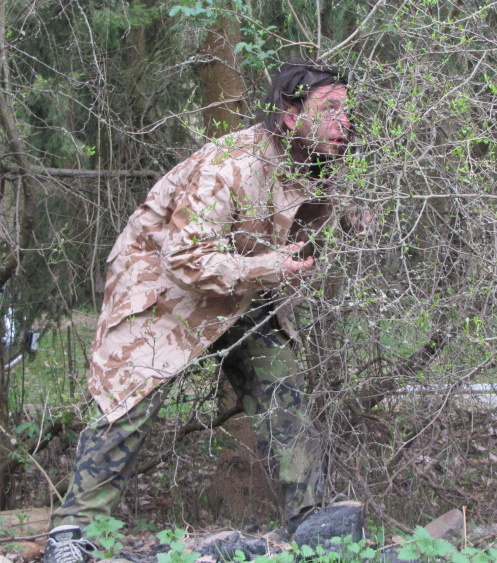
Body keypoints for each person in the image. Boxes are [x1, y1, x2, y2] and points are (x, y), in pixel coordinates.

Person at [44, 59, 365, 563]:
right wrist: (270, 265)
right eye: (329, 109)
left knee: (282, 385)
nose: (343, 121)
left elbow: (330, 209)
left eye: (347, 110)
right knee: (130, 396)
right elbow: (184, 258)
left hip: (243, 283)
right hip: (162, 286)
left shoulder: (323, 161)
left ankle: (312, 522)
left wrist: (354, 216)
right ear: (289, 113)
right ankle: (73, 532)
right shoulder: (232, 163)